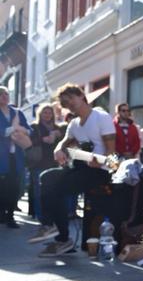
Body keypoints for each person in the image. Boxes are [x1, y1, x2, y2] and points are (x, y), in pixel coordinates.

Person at [28, 83, 117, 257]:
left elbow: (112, 152)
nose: (68, 103)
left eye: (70, 98)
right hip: (80, 167)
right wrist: (58, 148)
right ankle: (51, 228)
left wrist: (101, 162)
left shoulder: (101, 116)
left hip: (99, 171)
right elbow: (65, 141)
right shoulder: (74, 124)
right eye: (64, 102)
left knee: (58, 189)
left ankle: (62, 239)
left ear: (81, 96)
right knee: (47, 177)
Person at [0, 86, 31, 228]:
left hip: (16, 157)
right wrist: (13, 128)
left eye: (6, 93)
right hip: (2, 156)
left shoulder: (17, 112)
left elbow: (29, 130)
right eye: (1, 94)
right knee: (2, 187)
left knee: (14, 188)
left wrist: (22, 129)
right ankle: (1, 215)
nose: (4, 96)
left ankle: (10, 216)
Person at [28, 103, 64, 221]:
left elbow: (65, 142)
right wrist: (43, 139)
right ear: (40, 114)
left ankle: (51, 215)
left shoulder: (57, 128)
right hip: (38, 163)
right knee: (39, 192)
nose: (47, 115)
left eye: (49, 112)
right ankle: (41, 216)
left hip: (54, 164)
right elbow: (29, 142)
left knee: (53, 191)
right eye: (45, 112)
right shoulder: (35, 126)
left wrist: (58, 135)